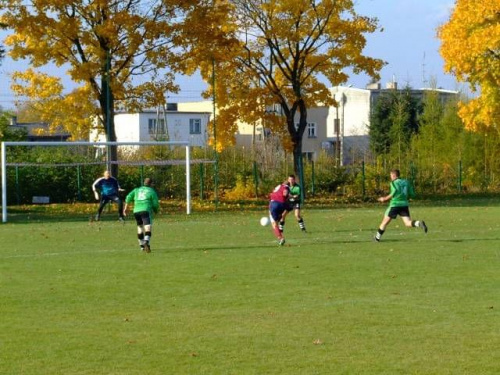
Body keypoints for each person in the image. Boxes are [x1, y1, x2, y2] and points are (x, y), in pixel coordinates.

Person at [374, 169, 428, 242]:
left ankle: (377, 238)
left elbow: (394, 191)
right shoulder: (406, 182)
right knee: (407, 223)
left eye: (391, 175)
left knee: (384, 222)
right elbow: (412, 194)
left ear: (393, 175)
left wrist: (384, 198)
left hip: (395, 205)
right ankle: (419, 223)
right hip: (404, 205)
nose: (390, 177)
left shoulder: (393, 183)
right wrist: (407, 197)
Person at [124, 178, 160, 253]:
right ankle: (146, 241)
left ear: (144, 183)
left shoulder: (136, 190)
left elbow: (128, 197)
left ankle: (142, 247)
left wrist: (125, 208)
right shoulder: (151, 191)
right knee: (147, 228)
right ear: (151, 184)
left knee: (139, 227)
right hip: (145, 210)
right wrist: (156, 210)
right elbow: (155, 203)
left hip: (136, 211)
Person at [268, 179, 290, 246]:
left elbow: (284, 192)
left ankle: (280, 238)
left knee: (274, 224)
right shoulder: (287, 187)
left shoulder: (280, 186)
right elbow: (285, 193)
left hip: (274, 204)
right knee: (276, 220)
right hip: (282, 205)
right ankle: (280, 219)